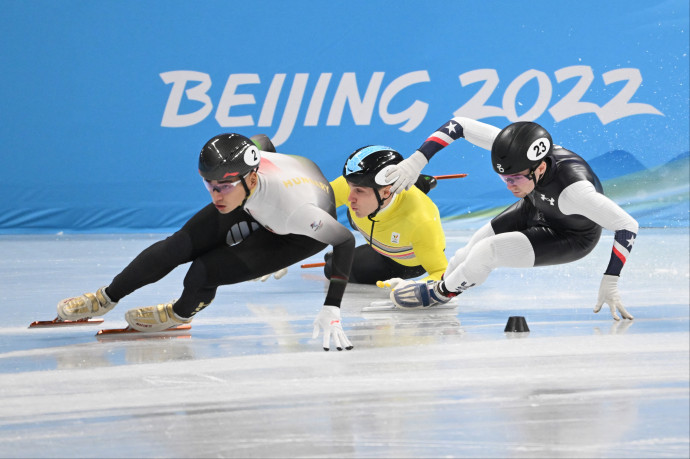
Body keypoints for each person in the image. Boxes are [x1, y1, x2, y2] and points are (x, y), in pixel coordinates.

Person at [56, 133, 356, 350]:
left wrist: (332, 306)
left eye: (223, 187)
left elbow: (344, 241)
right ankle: (106, 297)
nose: (215, 196)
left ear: (250, 179)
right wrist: (230, 190)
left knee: (203, 270)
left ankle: (180, 313)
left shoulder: (297, 211)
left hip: (295, 233)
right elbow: (262, 141)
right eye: (209, 186)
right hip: (259, 200)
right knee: (178, 246)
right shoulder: (243, 172)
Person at [385, 117, 638, 321]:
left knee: (487, 251)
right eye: (504, 178)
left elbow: (627, 225)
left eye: (515, 178)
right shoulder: (517, 151)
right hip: (534, 205)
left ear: (540, 168)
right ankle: (441, 285)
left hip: (571, 236)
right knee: (466, 253)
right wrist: (415, 162)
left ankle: (441, 293)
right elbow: (458, 125)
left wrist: (611, 280)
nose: (509, 185)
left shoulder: (575, 192)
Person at [322, 145, 447, 287]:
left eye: (359, 191)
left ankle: (417, 185)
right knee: (354, 213)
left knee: (331, 268)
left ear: (386, 192)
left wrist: (412, 289)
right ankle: (419, 183)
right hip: (378, 231)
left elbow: (442, 275)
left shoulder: (422, 222)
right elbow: (311, 200)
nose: (350, 197)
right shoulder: (354, 187)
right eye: (349, 186)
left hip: (401, 261)